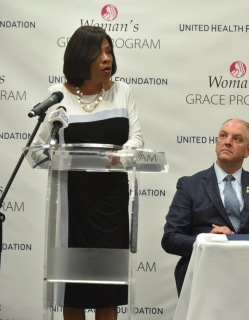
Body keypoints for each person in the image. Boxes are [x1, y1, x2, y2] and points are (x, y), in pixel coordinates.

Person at [32, 26, 143, 319]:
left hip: (112, 201)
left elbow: (137, 139)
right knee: (75, 291)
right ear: (82, 57)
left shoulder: (122, 91)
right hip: (73, 203)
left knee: (110, 290)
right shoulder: (57, 96)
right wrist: (58, 158)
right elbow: (36, 150)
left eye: (109, 51)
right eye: (100, 52)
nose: (107, 58)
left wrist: (122, 154)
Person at [161, 118, 249, 295]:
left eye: (237, 139)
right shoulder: (189, 185)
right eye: (223, 136)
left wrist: (233, 240)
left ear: (248, 150)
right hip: (201, 273)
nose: (227, 142)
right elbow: (170, 238)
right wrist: (207, 241)